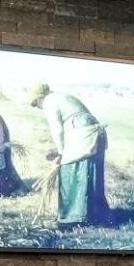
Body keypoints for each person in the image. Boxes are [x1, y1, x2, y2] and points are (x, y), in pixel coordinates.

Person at [28, 82, 111, 227]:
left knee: (70, 170)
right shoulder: (60, 97)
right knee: (90, 172)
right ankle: (95, 214)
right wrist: (59, 149)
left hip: (82, 132)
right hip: (90, 132)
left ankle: (74, 217)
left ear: (40, 98)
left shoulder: (48, 102)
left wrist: (61, 153)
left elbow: (57, 130)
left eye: (36, 104)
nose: (38, 108)